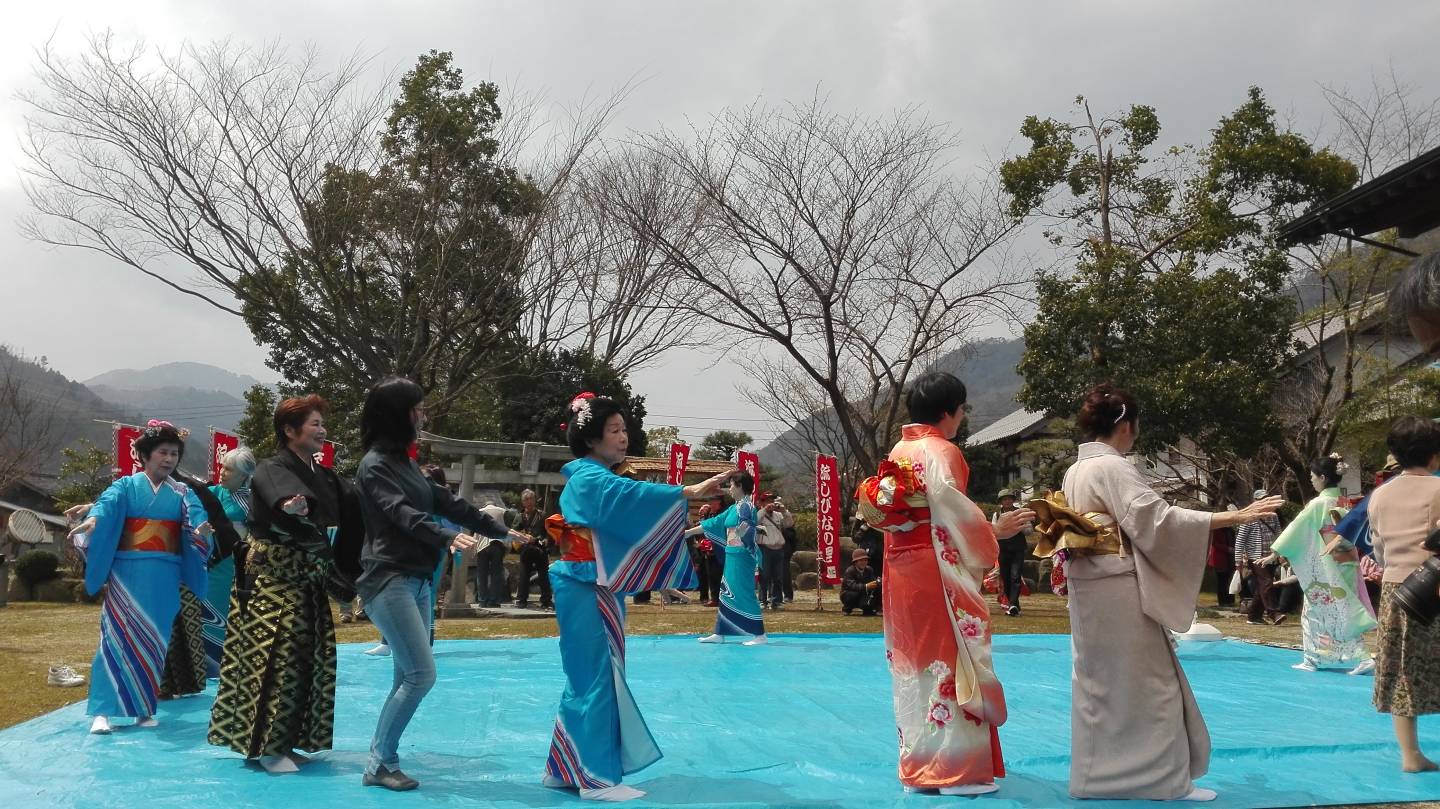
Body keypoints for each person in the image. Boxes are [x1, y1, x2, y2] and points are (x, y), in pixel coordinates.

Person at [1061, 384, 1283, 802]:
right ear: (1126, 425)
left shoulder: (1077, 469)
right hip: (1115, 585)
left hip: (1088, 584)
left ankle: (1096, 777)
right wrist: (1232, 515)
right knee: (1151, 684)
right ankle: (1159, 781)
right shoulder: (1112, 468)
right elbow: (1157, 520)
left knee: (1099, 682)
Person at [542, 393, 728, 802]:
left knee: (586, 675)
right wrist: (688, 490)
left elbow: (626, 495)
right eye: (614, 430)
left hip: (588, 582)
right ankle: (595, 778)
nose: (623, 437)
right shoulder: (592, 479)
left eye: (624, 429)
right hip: (586, 582)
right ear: (591, 439)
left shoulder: (590, 477)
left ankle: (565, 766)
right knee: (598, 676)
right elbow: (632, 497)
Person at [857, 371, 1032, 797]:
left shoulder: (899, 450)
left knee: (913, 661)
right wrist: (997, 532)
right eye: (961, 409)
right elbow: (953, 515)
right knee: (951, 656)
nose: (962, 417)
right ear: (948, 412)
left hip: (900, 566)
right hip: (935, 566)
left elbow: (900, 511)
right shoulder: (943, 450)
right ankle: (957, 770)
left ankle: (919, 763)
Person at [353, 378, 519, 790]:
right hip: (388, 579)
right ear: (398, 414)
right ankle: (377, 764)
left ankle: (382, 759)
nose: (423, 416)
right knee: (420, 675)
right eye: (418, 409)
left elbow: (447, 502)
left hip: (418, 581)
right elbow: (401, 512)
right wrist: (446, 536)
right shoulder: (374, 466)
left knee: (405, 676)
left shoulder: (405, 463)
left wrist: (498, 530)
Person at [208, 395, 365, 774]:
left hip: (308, 581)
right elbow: (284, 497)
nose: (321, 430)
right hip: (272, 583)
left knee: (309, 661)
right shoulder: (270, 468)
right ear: (289, 430)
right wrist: (292, 505)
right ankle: (267, 748)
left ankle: (288, 742)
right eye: (314, 424)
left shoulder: (324, 475)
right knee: (276, 660)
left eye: (321, 424)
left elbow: (355, 502)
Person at [66, 421, 212, 735]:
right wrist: (93, 519)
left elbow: (196, 516)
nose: (169, 459)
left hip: (164, 572)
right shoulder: (125, 486)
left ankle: (144, 709)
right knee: (114, 639)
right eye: (162, 452)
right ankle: (103, 711)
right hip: (126, 571)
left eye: (174, 454)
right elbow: (107, 506)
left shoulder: (183, 492)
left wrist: (200, 532)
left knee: (154, 643)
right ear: (144, 455)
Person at [1362, 415, 1440, 772]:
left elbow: (1377, 549)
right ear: (1434, 455)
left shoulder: (1380, 494)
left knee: (1401, 669)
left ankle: (1410, 755)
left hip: (1397, 589)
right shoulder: (1438, 489)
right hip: (1434, 584)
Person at [1266, 454, 1375, 674]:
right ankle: (1320, 656)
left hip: (1328, 565)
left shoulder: (1319, 504)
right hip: (1346, 561)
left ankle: (1324, 658)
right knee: (1343, 609)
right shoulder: (1344, 501)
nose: (1312, 480)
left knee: (1316, 611)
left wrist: (1274, 553)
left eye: (1313, 476)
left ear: (1323, 477)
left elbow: (1297, 529)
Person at [158, 466, 242, 697]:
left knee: (196, 623)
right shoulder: (134, 486)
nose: (223, 471)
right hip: (161, 564)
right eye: (162, 452)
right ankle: (162, 685)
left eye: (172, 453)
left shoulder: (188, 489)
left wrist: (200, 538)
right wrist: (94, 510)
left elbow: (204, 520)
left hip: (211, 559)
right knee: (164, 627)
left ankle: (215, 670)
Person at [688, 472, 766, 645]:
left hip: (742, 556)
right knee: (726, 593)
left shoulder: (746, 506)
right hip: (732, 554)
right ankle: (720, 632)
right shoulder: (733, 508)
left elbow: (747, 524)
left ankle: (759, 634)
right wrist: (688, 532)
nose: (729, 489)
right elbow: (712, 523)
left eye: (731, 485)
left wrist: (743, 530)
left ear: (739, 486)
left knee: (744, 592)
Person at [207, 447, 255, 667]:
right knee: (209, 615)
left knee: (240, 616)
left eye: (229, 470)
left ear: (244, 475)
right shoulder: (213, 493)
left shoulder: (256, 501)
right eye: (222, 467)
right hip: (214, 567)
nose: (223, 472)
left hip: (242, 567)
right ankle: (210, 666)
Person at [1235, 490, 1283, 625]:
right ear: (1256, 502)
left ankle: (1253, 616)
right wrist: (1238, 560)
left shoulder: (1273, 515)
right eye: (1262, 499)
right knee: (1267, 582)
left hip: (1271, 556)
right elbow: (1240, 540)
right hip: (1255, 557)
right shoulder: (1249, 517)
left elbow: (1279, 534)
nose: (1265, 501)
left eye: (1267, 499)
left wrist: (1279, 553)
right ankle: (1274, 613)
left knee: (1262, 587)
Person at [991, 490, 1032, 617]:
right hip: (1002, 549)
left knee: (1015, 576)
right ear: (1001, 502)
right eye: (1004, 499)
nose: (1007, 501)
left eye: (1009, 499)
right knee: (1006, 577)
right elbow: (993, 532)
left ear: (1013, 500)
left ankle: (1013, 604)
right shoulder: (996, 515)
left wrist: (1020, 526)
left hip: (1017, 549)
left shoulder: (1020, 513)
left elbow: (1029, 531)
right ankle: (1013, 605)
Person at [513, 489, 554, 609]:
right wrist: (524, 536)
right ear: (522, 502)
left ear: (535, 500)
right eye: (526, 499)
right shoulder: (519, 516)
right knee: (524, 574)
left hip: (540, 548)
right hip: (526, 548)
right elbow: (514, 532)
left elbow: (549, 532)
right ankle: (521, 600)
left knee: (543, 575)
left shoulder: (543, 515)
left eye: (531, 499)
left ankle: (546, 600)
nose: (529, 502)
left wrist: (547, 540)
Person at [757, 493, 791, 611]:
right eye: (767, 501)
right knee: (764, 576)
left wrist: (785, 511)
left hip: (779, 549)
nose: (770, 503)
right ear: (762, 502)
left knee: (778, 577)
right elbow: (754, 522)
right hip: (764, 548)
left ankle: (776, 601)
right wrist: (764, 510)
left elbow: (789, 524)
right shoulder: (759, 514)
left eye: (772, 500)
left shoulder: (778, 515)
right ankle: (762, 601)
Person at [840, 548, 881, 615]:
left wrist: (877, 583)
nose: (863, 562)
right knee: (852, 595)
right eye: (861, 560)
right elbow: (852, 586)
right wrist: (866, 586)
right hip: (849, 594)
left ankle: (871, 609)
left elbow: (873, 581)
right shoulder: (850, 571)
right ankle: (847, 609)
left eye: (865, 560)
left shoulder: (869, 570)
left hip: (864, 594)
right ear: (855, 562)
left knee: (877, 591)